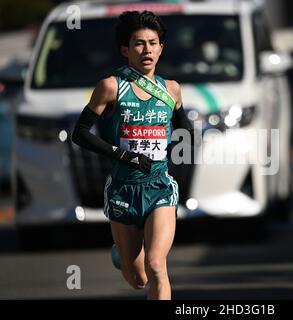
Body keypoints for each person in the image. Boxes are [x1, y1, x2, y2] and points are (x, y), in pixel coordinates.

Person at [72, 10, 193, 300]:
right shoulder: (111, 86)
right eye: (139, 43)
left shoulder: (172, 90)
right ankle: (123, 256)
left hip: (159, 189)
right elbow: (81, 133)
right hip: (123, 190)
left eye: (153, 43)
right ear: (126, 49)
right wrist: (124, 156)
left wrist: (178, 158)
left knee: (156, 266)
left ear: (161, 48)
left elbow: (183, 129)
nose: (147, 49)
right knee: (138, 279)